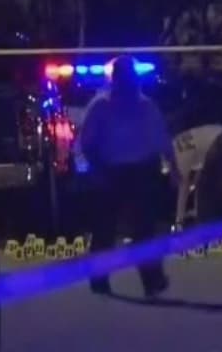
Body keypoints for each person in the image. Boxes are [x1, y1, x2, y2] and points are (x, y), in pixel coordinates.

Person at [79, 56, 180, 297]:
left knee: (142, 228)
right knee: (107, 229)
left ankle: (151, 280)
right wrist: (96, 167)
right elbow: (88, 142)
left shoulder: (144, 106)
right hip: (113, 171)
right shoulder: (103, 106)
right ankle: (102, 278)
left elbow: (162, 140)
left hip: (139, 171)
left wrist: (173, 167)